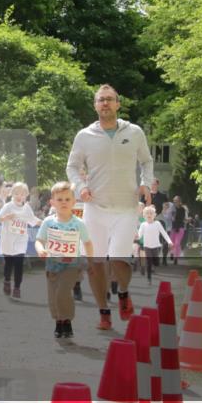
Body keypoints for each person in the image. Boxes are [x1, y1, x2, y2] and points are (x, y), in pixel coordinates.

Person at [66, 84, 154, 330]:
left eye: (109, 99)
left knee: (118, 260)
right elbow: (72, 166)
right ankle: (104, 312)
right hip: (95, 208)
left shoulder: (134, 132)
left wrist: (146, 184)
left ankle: (123, 292)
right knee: (95, 264)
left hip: (126, 208)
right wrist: (80, 187)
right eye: (100, 100)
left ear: (118, 104)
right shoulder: (84, 136)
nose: (105, 103)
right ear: (95, 105)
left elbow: (147, 161)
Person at [36, 181, 94, 339]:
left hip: (71, 266)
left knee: (63, 292)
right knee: (53, 296)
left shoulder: (78, 223)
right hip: (52, 265)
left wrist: (90, 262)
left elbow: (88, 243)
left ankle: (67, 320)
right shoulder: (48, 222)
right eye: (60, 199)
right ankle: (58, 321)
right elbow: (39, 240)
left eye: (67, 199)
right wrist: (40, 249)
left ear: (74, 202)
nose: (63, 202)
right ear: (52, 202)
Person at [0, 182, 41, 298]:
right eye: (16, 193)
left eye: (22, 194)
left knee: (19, 264)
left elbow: (33, 220)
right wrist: (6, 217)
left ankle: (17, 288)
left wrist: (45, 223)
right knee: (9, 264)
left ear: (25, 195)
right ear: (12, 194)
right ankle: (7, 281)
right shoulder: (8, 206)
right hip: (8, 240)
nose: (19, 196)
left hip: (20, 240)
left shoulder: (26, 208)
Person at [137, 205, 172, 284]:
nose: (149, 215)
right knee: (149, 262)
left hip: (156, 246)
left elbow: (164, 233)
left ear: (154, 215)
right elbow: (139, 235)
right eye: (147, 213)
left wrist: (169, 242)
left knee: (156, 262)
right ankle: (149, 278)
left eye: (151, 213)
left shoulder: (157, 223)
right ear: (144, 215)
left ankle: (155, 263)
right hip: (147, 246)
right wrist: (135, 238)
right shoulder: (143, 225)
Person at [170, 196, 188, 264]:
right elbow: (169, 217)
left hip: (180, 227)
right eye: (174, 201)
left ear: (180, 201)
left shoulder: (182, 209)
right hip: (173, 227)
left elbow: (182, 219)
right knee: (172, 243)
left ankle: (176, 257)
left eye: (176, 201)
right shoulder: (172, 208)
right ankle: (172, 252)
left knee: (177, 243)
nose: (175, 202)